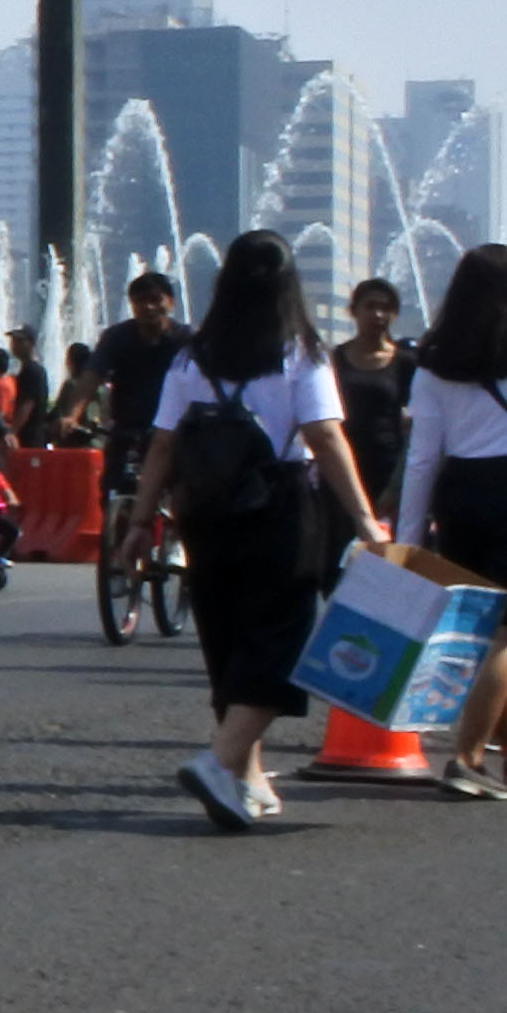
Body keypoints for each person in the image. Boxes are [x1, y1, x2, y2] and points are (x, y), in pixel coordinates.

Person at [132, 231, 387, 826]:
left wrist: (139, 521)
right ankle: (221, 762)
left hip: (204, 511)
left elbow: (164, 443)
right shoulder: (300, 351)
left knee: (225, 633)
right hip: (278, 505)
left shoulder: (192, 355)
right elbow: (324, 436)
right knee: (283, 637)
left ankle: (247, 779)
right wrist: (363, 517)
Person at [396, 245, 507, 800]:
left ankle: (496, 753)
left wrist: (409, 546)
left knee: (479, 628)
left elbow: (421, 460)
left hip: (460, 493)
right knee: (504, 638)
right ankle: (465, 759)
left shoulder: (435, 364)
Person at [90, 273, 187, 578]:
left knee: (181, 488)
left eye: (155, 300)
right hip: (127, 426)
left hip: (175, 429)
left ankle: (176, 542)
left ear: (170, 303)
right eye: (140, 301)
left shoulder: (187, 341)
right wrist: (69, 414)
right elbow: (90, 378)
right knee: (113, 491)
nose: (148, 307)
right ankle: (119, 552)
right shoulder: (117, 338)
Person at [332, 277, 413, 539]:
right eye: (370, 306)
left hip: (387, 469)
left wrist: (396, 486)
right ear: (353, 310)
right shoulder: (334, 358)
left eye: (386, 307)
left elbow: (418, 423)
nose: (378, 314)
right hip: (342, 464)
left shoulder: (406, 363)